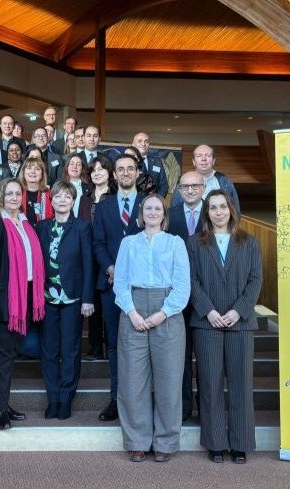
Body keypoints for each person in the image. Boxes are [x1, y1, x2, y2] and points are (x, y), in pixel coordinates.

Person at [113, 193, 190, 463]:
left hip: (168, 311)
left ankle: (166, 441)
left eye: (158, 208)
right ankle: (137, 440)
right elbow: (120, 282)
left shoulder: (175, 243)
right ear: (141, 213)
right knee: (132, 380)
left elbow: (183, 285)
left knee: (169, 380)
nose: (153, 212)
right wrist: (132, 312)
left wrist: (162, 313)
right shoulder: (128, 243)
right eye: (148, 208)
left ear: (164, 214)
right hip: (132, 310)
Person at [187, 189, 262, 465]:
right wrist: (208, 311)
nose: (218, 212)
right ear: (206, 213)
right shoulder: (195, 243)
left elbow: (255, 280)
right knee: (210, 384)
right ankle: (216, 442)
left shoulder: (249, 242)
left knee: (241, 384)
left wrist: (237, 311)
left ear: (231, 209)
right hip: (207, 323)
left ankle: (240, 443)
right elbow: (191, 281)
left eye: (223, 206)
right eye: (213, 207)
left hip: (240, 323)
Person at [0, 178, 45, 430]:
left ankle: (1, 403)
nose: (14, 198)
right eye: (9, 194)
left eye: (18, 193)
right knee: (1, 356)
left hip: (24, 297)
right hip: (4, 299)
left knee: (9, 355)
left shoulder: (27, 224)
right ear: (0, 197)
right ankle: (0, 411)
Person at [92, 155, 144, 422]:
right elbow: (98, 243)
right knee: (114, 344)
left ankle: (139, 400)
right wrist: (111, 268)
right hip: (111, 284)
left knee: (140, 345)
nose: (125, 173)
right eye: (120, 169)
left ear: (137, 173)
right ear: (114, 175)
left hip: (143, 286)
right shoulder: (104, 206)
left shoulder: (149, 204)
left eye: (130, 169)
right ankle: (116, 399)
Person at [36, 181, 94, 420]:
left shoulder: (82, 227)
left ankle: (66, 398)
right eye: (57, 196)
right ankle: (53, 398)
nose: (62, 200)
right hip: (46, 298)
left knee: (70, 350)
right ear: (51, 200)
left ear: (73, 201)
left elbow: (88, 264)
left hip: (73, 298)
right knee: (49, 351)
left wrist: (88, 298)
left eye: (67, 197)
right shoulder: (41, 227)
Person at [168, 171, 206, 422]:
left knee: (205, 357)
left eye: (195, 186)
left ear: (203, 187)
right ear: (179, 190)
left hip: (207, 296)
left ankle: (206, 408)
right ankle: (182, 407)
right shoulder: (169, 216)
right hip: (176, 296)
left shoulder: (214, 213)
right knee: (180, 355)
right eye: (185, 186)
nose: (190, 190)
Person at [82, 155, 117, 361]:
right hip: (89, 256)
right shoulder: (85, 198)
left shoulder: (115, 196)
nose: (97, 173)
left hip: (109, 256)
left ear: (109, 172)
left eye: (101, 169)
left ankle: (111, 345)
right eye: (93, 170)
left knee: (109, 304)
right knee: (93, 301)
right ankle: (95, 347)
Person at [172, 144, 240, 212]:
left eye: (208, 155)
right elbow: (174, 209)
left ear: (213, 161)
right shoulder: (184, 181)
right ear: (193, 162)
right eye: (199, 156)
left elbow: (235, 210)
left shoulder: (224, 181)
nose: (204, 159)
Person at [17, 157, 53, 226]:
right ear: (23, 172)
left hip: (45, 231)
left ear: (42, 174)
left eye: (37, 169)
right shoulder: (17, 193)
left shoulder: (50, 194)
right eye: (29, 168)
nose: (33, 171)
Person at [58, 153, 90, 219]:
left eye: (78, 164)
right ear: (67, 167)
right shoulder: (59, 186)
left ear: (82, 168)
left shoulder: (89, 187)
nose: (75, 167)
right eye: (71, 164)